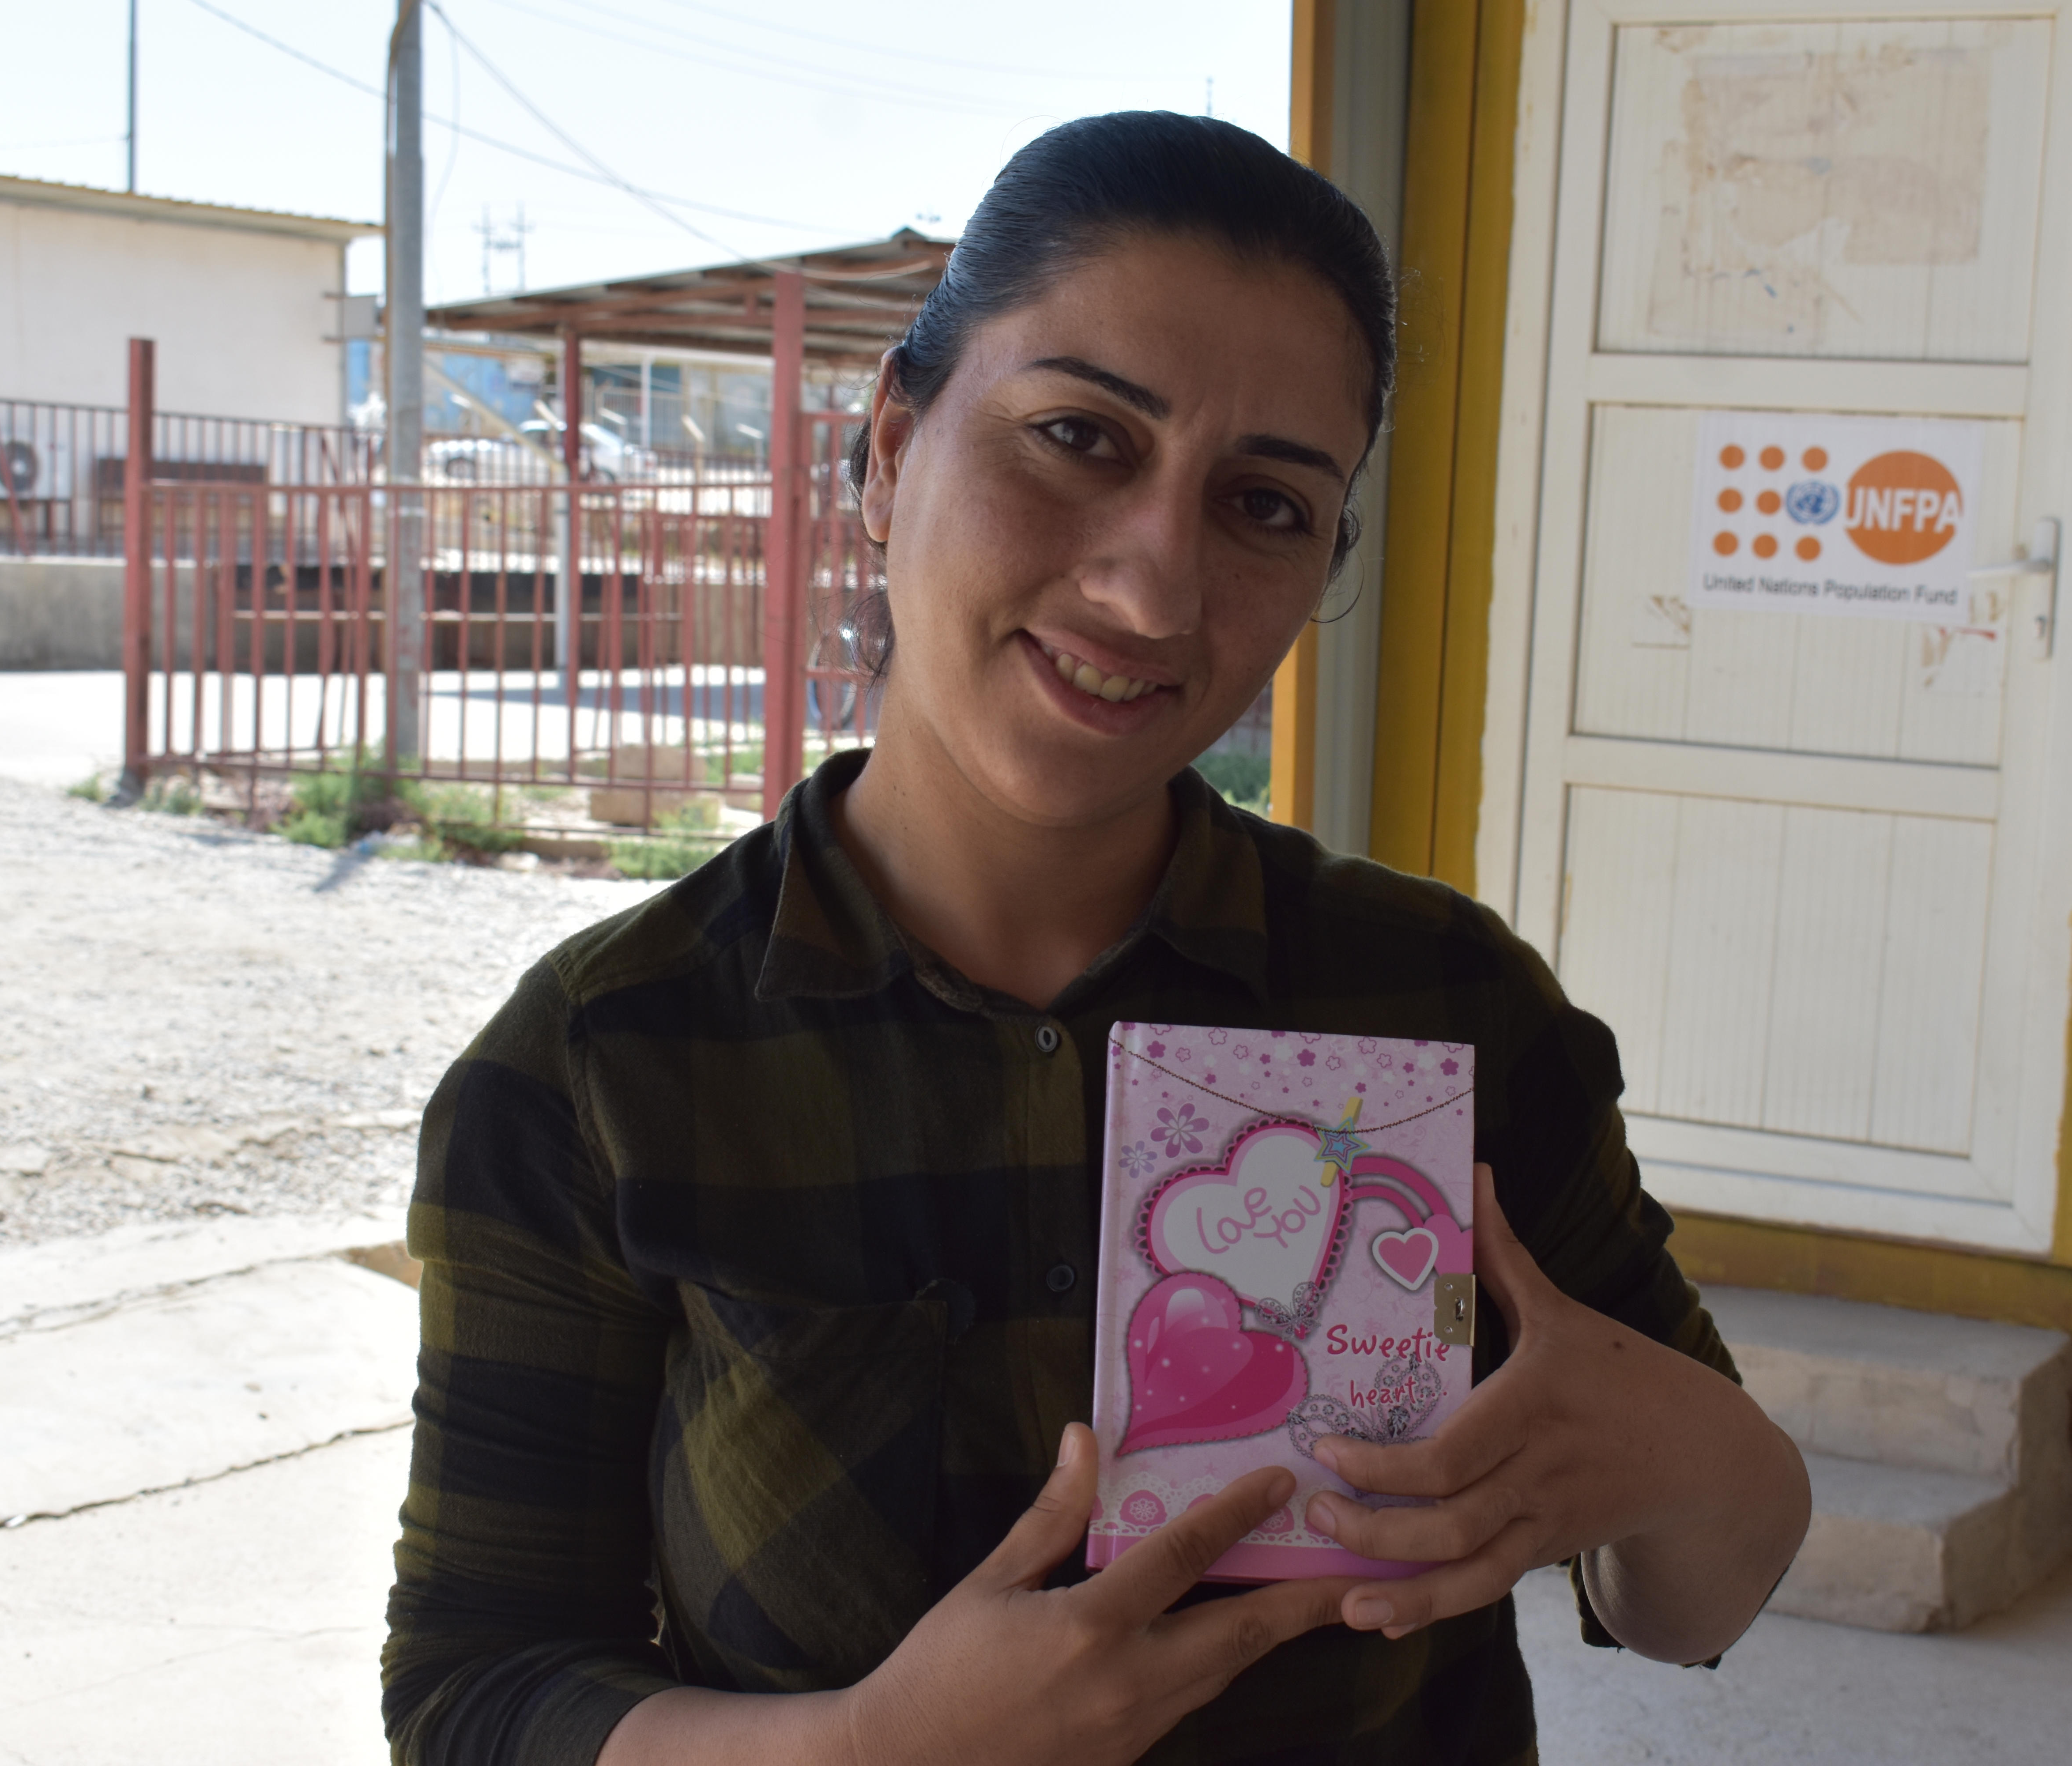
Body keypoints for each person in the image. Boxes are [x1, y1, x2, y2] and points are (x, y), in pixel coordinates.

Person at [383, 110, 1810, 1766]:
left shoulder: (1443, 1010)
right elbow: (475, 1699)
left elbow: (1690, 1601)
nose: (1153, 591)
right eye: (1079, 435)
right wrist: (860, 1752)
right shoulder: (600, 1068)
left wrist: (1692, 1460)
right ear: (890, 445)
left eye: (1267, 507)